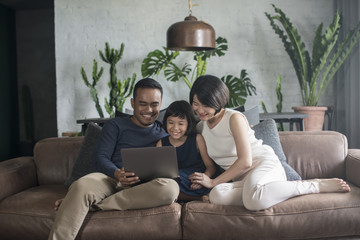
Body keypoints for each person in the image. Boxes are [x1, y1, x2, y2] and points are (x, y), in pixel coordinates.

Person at [188, 74, 351, 211]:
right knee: (217, 195)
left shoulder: (233, 118)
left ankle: (313, 185)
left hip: (263, 166)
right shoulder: (201, 127)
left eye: (206, 105)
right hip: (243, 180)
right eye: (196, 104)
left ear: (218, 101)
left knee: (253, 200)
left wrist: (213, 182)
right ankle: (266, 191)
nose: (200, 110)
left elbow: (246, 161)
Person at [49, 78, 180, 240]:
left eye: (154, 104)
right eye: (142, 103)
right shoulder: (115, 125)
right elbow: (100, 157)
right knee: (81, 185)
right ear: (133, 103)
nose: (149, 109)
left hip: (143, 188)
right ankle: (76, 206)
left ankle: (87, 205)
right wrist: (117, 173)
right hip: (110, 179)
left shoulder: (166, 133)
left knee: (170, 189)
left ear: (160, 104)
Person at [156, 100, 217, 201]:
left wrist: (202, 179)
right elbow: (159, 171)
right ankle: (198, 198)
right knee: (166, 184)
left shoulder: (197, 139)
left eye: (181, 124)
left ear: (188, 124)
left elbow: (211, 167)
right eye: (170, 122)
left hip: (196, 180)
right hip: (176, 183)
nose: (175, 128)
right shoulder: (161, 144)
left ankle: (198, 195)